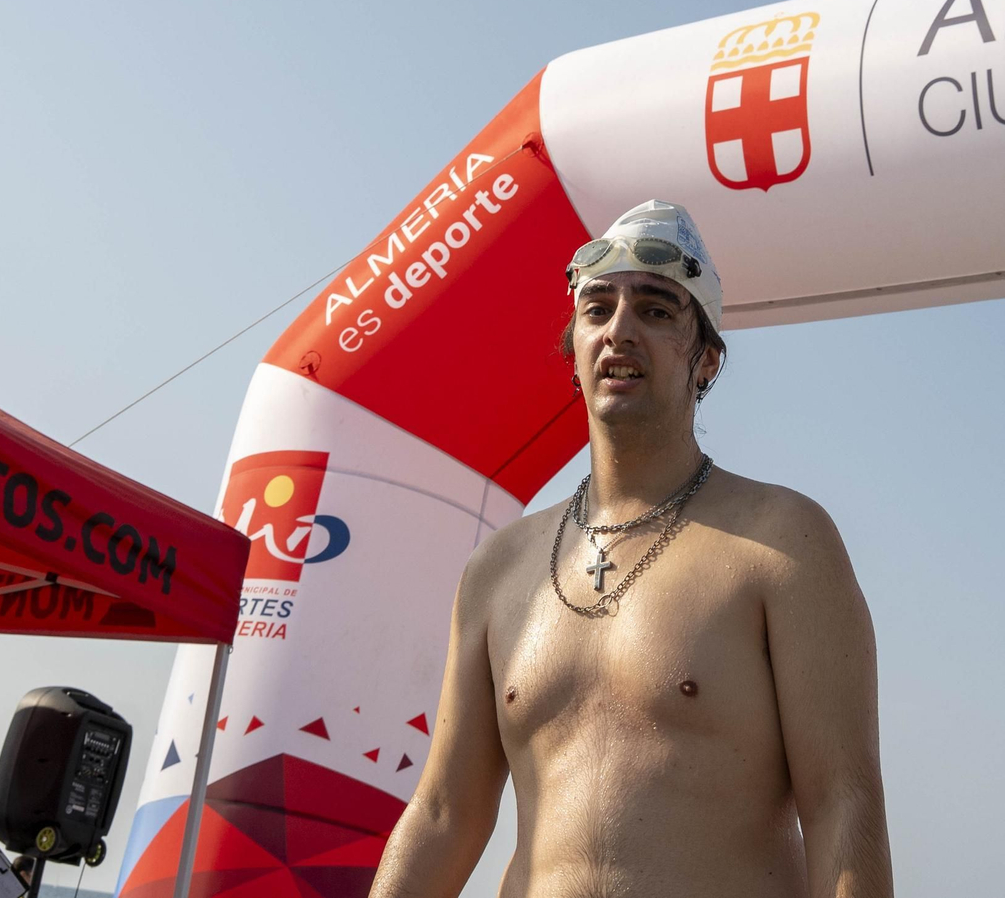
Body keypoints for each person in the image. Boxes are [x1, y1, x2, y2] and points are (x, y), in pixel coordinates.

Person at [370, 200, 892, 896]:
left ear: (705, 360)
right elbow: (443, 814)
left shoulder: (781, 541)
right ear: (574, 355)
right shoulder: (498, 571)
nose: (619, 328)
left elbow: (842, 802)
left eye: (655, 310)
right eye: (597, 309)